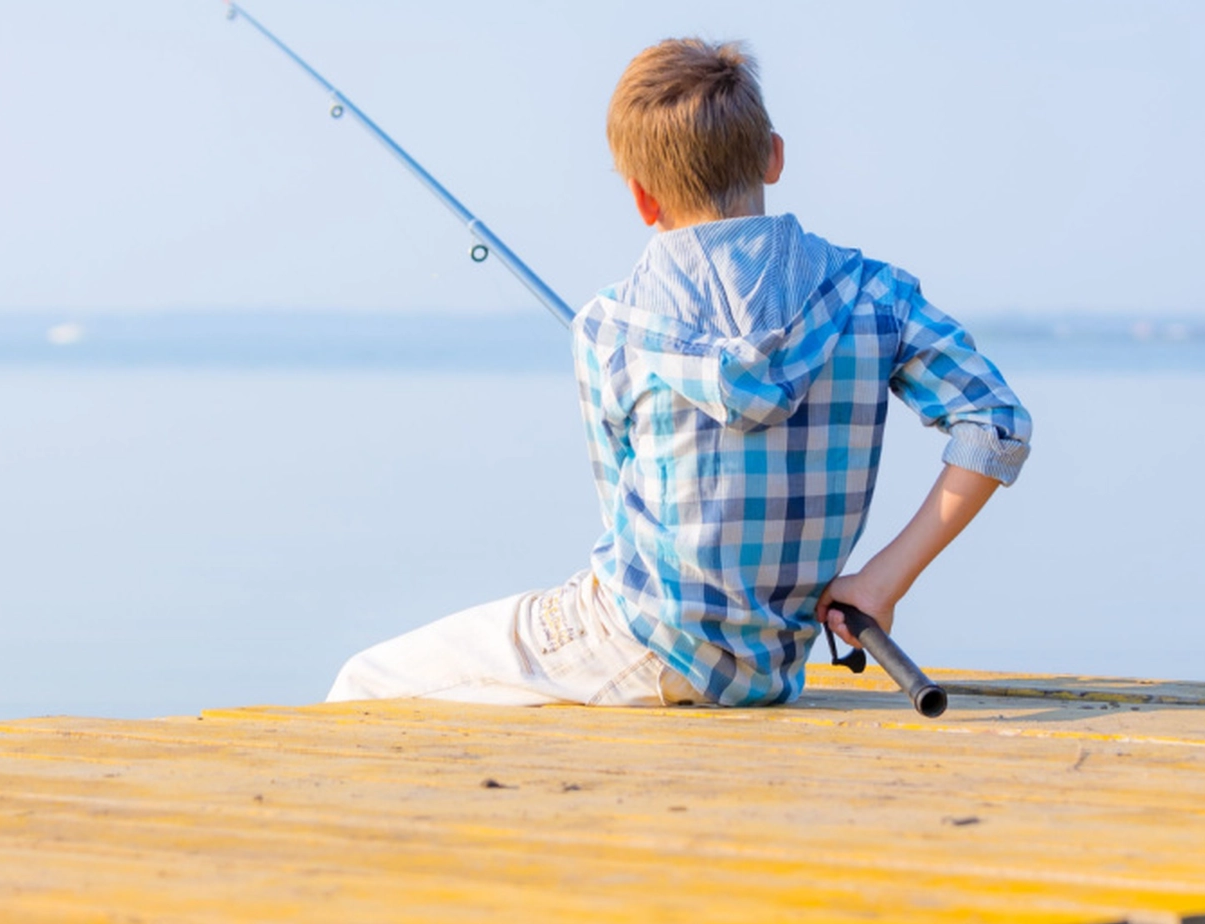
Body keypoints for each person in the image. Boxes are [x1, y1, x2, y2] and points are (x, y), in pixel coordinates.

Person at [327, 37, 1030, 708]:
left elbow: (620, 524)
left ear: (642, 198)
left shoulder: (608, 328)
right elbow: (995, 425)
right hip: (770, 672)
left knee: (363, 681)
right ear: (775, 157)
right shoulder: (878, 296)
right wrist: (881, 581)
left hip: (627, 643)